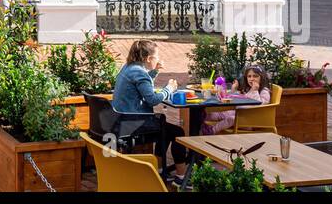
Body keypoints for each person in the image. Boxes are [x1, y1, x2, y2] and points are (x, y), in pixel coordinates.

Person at [111, 40, 187, 174]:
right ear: (148, 58)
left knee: (165, 129)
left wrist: (155, 71)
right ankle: (181, 176)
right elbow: (152, 99)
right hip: (135, 123)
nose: (158, 59)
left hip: (122, 120)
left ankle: (157, 169)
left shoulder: (128, 67)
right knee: (177, 132)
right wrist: (169, 88)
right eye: (156, 57)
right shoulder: (140, 73)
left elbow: (142, 85)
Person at [203, 64, 273, 135]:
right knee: (221, 114)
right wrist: (234, 90)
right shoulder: (250, 89)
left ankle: (212, 130)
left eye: (255, 76)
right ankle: (200, 121)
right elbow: (241, 98)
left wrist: (255, 90)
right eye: (249, 76)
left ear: (262, 78)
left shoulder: (264, 91)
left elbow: (260, 105)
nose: (252, 79)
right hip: (241, 114)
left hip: (252, 121)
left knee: (231, 119)